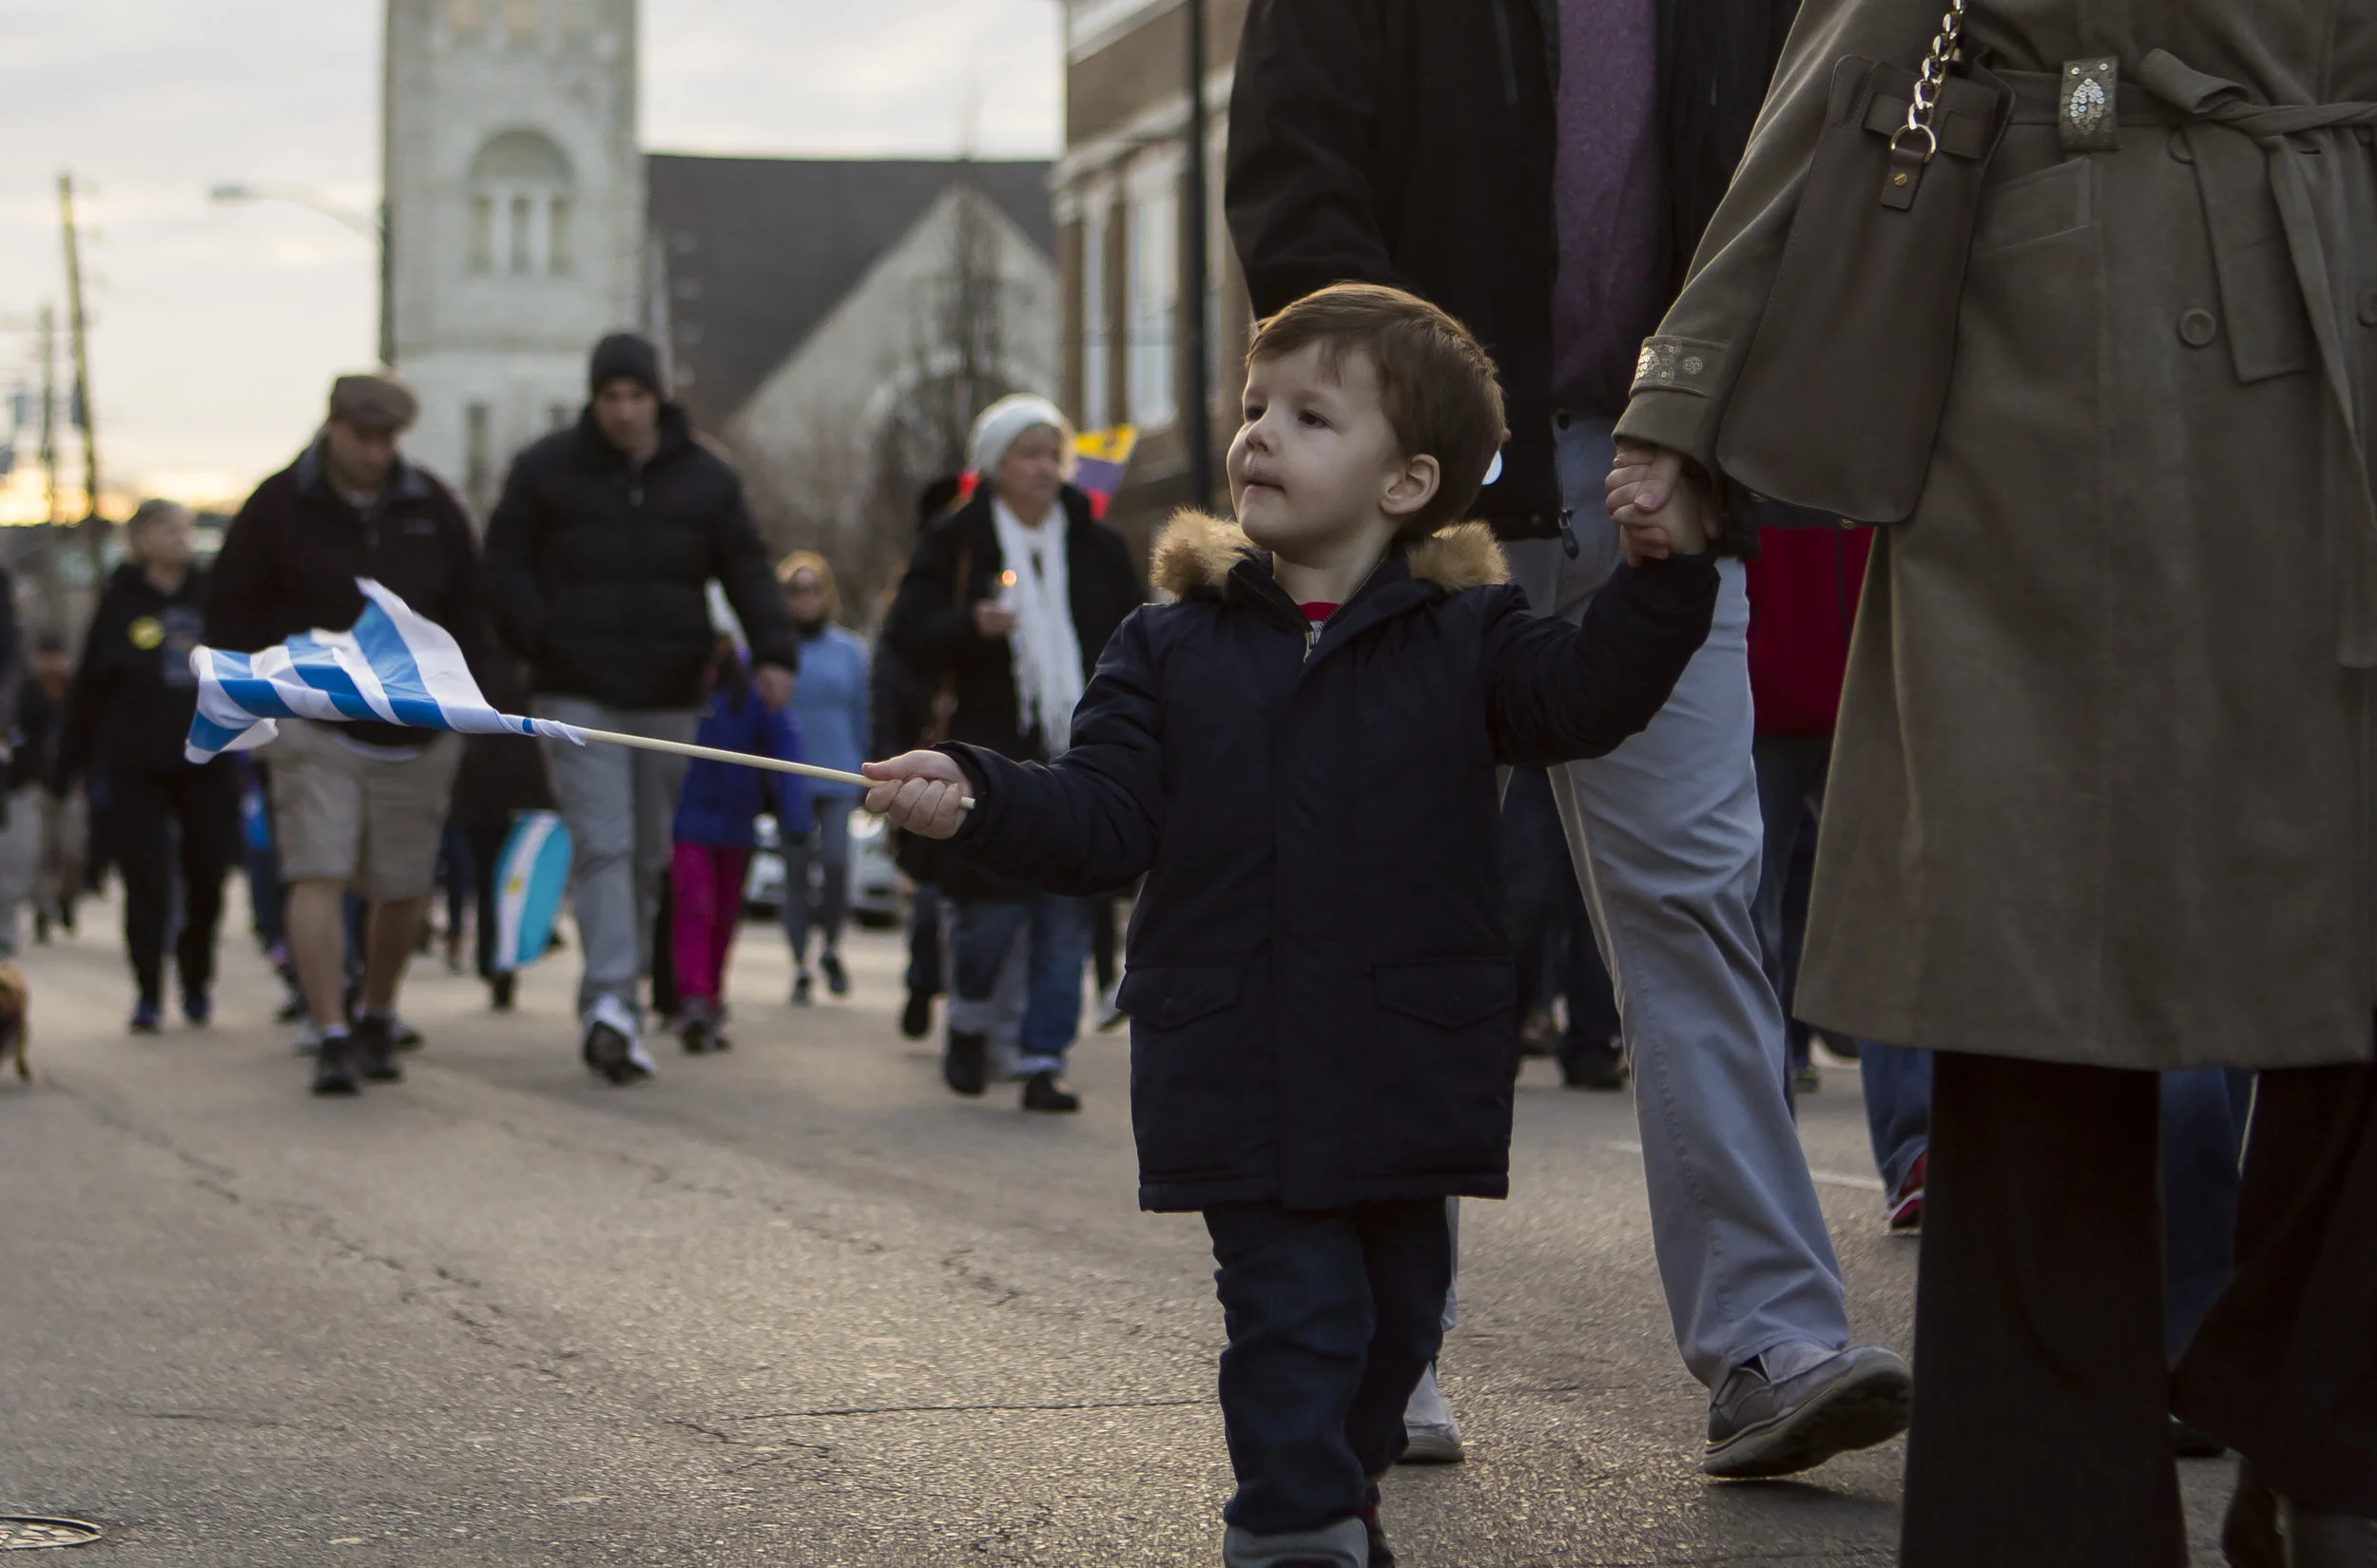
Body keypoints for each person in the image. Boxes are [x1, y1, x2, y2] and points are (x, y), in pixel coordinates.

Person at [1608, 6, 2377, 1561]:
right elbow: (1857, 50)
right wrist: (1687, 395)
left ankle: (2333, 1417)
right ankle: (2050, 1522)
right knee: (2040, 988)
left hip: (2344, 318)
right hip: (2061, 378)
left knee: (2354, 958)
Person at [867, 282, 1716, 1568]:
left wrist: (1665, 574)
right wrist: (976, 793)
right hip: (1239, 1052)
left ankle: (1332, 1495)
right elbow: (1103, 814)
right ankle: (1291, 1525)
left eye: (1311, 416)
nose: (1258, 434)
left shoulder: (1469, 633)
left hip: (1406, 1052)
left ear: (1405, 481)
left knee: (1393, 1320)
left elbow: (1587, 697)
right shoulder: (1166, 646)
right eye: (1255, 407)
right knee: (1291, 1312)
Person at [1227, 0, 1912, 1479]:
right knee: (1388, 902)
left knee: (1703, 899)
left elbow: (1793, 193)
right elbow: (1293, 177)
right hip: (1426, 487)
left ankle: (1771, 1343)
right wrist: (1374, 445)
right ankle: (1378, 1343)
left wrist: (1722, 433)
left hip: (1660, 478)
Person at [484, 332, 801, 1085]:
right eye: (609, 397)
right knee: (605, 843)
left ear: (657, 397)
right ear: (593, 400)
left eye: (635, 396)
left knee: (650, 855)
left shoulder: (706, 477)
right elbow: (502, 564)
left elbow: (748, 566)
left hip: (668, 689)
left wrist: (775, 651)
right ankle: (611, 1006)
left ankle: (620, 992)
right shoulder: (545, 470)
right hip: (577, 689)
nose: (623, 411)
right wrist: (540, 637)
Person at [207, 372, 487, 1094]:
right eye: (362, 437)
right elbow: (230, 607)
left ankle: (376, 1011)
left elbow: (469, 607)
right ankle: (329, 1026)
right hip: (309, 726)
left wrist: (469, 704)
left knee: (402, 885)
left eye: (387, 439)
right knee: (317, 870)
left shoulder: (432, 507)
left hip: (414, 731)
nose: (374, 452)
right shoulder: (277, 507)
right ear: (332, 427)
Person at [880, 397, 1143, 1113]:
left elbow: (1137, 634)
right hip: (986, 748)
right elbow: (906, 633)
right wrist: (971, 625)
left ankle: (1041, 1059)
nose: (1043, 467)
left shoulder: (1095, 543)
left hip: (1075, 751)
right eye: (1027, 453)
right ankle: (968, 1024)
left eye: (1051, 452)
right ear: (994, 464)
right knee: (990, 913)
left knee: (1064, 909)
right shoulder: (956, 539)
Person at [53, 502, 239, 1030]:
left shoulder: (212, 596)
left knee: (207, 876)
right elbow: (89, 688)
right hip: (137, 762)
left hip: (207, 758)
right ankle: (148, 991)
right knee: (146, 879)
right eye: (166, 529)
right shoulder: (118, 602)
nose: (180, 538)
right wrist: (68, 767)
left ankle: (197, 977)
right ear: (139, 540)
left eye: (184, 529)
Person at [667, 635, 805, 1059]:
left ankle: (710, 999)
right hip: (686, 818)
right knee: (694, 907)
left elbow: (785, 744)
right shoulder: (675, 675)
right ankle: (693, 996)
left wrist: (796, 816)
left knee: (724, 916)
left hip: (735, 824)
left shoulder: (754, 681)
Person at [775, 552, 869, 1005]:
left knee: (835, 863)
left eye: (812, 588)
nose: (805, 598)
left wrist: (872, 774)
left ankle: (831, 945)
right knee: (795, 874)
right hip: (790, 775)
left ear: (825, 593)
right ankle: (799, 964)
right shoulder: (775, 650)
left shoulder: (850, 651)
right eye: (796, 590)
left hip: (839, 772)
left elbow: (862, 714)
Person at [448, 653, 554, 1012]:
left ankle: (496, 960)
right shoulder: (532, 667)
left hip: (484, 794)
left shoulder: (468, 663)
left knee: (490, 882)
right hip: (516, 795)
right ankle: (503, 959)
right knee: (510, 881)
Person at [18, 631, 82, 943]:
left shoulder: (77, 694)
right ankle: (44, 911)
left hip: (72, 783)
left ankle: (66, 897)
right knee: (43, 851)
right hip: (38, 783)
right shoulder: (26, 693)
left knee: (74, 849)